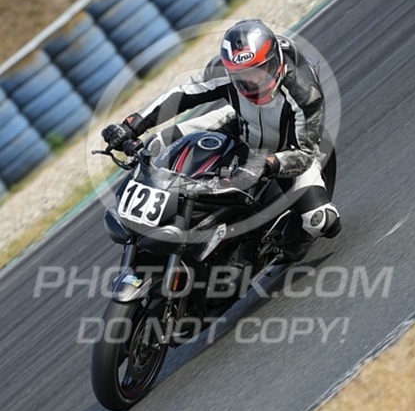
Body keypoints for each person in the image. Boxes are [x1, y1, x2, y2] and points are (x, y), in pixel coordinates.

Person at [102, 19, 341, 261]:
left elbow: (304, 154)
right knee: (156, 145)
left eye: (261, 70)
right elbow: (183, 93)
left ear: (276, 59)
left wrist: (269, 163)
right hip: (239, 123)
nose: (254, 81)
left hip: (286, 149)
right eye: (243, 76)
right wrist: (131, 125)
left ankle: (287, 238)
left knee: (321, 222)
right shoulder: (224, 72)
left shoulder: (304, 93)